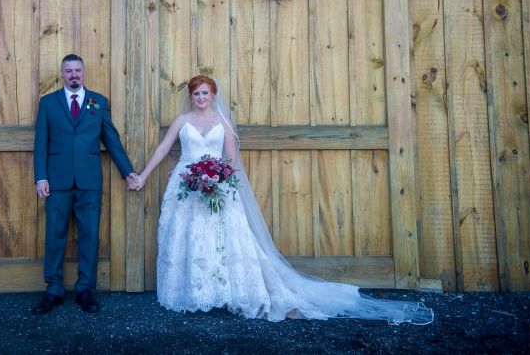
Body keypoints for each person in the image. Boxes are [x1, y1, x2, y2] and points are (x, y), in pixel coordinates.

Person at [129, 74, 433, 324]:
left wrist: (220, 177)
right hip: (187, 185)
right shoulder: (182, 121)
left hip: (218, 185)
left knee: (226, 239)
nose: (200, 98)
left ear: (213, 94)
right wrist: (142, 176)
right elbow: (162, 150)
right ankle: (196, 293)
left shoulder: (222, 123)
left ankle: (228, 292)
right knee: (189, 238)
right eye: (196, 93)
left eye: (205, 93)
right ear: (190, 96)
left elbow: (232, 157)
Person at [33, 54, 138, 314]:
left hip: (89, 181)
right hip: (57, 181)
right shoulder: (48, 103)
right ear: (62, 74)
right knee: (55, 236)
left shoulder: (98, 102)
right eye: (68, 71)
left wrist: (128, 172)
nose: (73, 75)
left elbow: (111, 140)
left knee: (89, 236)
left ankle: (85, 290)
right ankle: (54, 290)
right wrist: (41, 177)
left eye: (77, 70)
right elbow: (40, 144)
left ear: (84, 71)